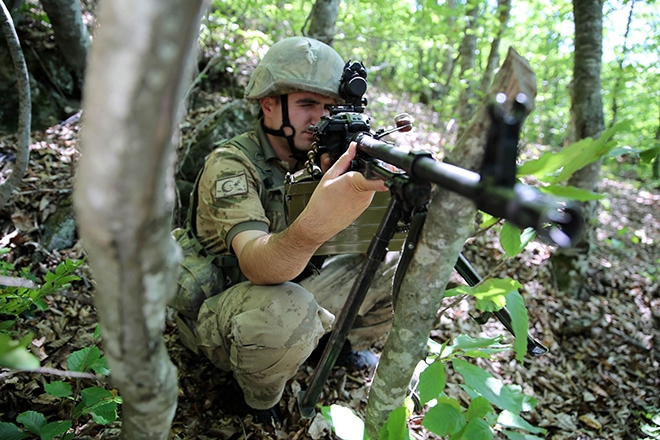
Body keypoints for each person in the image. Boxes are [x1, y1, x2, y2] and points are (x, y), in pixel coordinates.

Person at [171, 36, 399, 424]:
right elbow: (260, 266)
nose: (321, 118)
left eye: (331, 107)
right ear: (269, 105)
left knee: (395, 264)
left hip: (295, 289)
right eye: (307, 104)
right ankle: (257, 401)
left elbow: (362, 244)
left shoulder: (317, 157)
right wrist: (317, 221)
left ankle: (338, 345)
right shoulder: (231, 165)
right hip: (227, 311)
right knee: (284, 309)